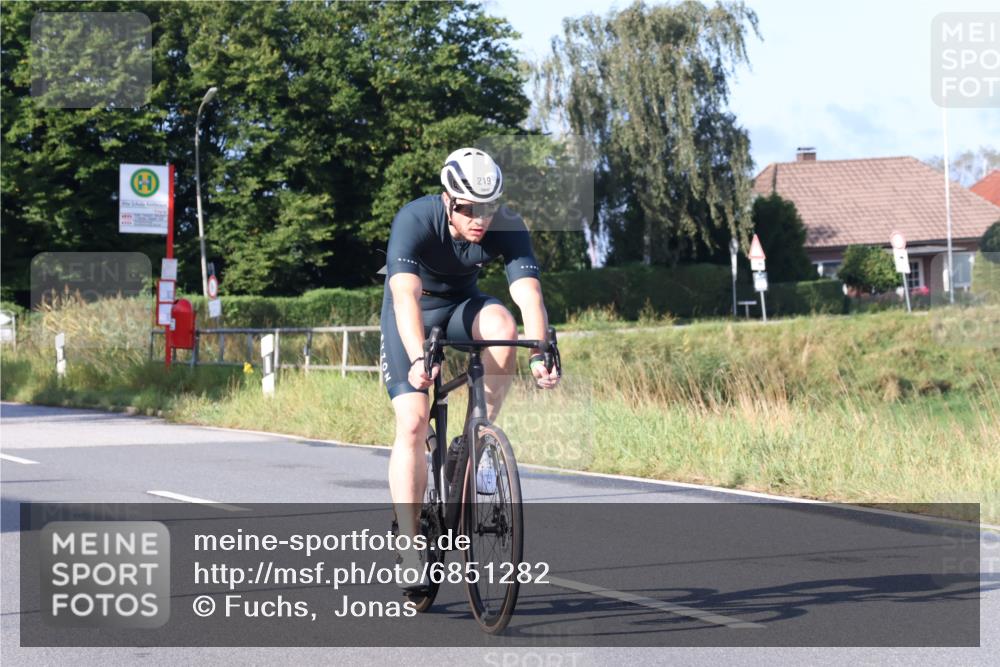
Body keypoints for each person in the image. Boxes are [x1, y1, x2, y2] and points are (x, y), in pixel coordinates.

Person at [380, 148, 560, 589]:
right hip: (413, 314)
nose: (479, 219)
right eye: (467, 209)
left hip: (462, 307)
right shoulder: (415, 219)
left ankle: (477, 438)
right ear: (447, 200)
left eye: (488, 208)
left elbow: (528, 294)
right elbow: (404, 297)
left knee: (504, 323)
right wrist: (420, 355)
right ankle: (409, 544)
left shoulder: (506, 224)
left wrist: (540, 351)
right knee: (414, 421)